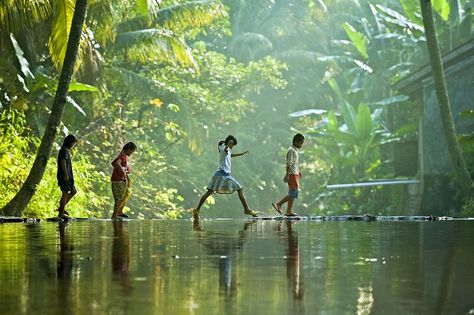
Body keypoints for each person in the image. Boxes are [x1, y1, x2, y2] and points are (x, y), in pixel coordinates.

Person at [193, 135, 257, 219]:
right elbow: (225, 150)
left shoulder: (227, 150)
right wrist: (228, 145)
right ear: (229, 143)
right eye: (233, 145)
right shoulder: (223, 147)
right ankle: (247, 209)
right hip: (223, 175)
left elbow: (230, 154)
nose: (232, 147)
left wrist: (242, 154)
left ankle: (197, 209)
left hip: (220, 174)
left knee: (209, 192)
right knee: (240, 189)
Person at [272, 133, 305, 217]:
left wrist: (298, 171)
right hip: (292, 174)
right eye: (301, 143)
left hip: (295, 173)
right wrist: (287, 174)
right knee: (293, 193)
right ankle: (278, 204)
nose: (301, 145)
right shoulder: (291, 150)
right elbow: (289, 164)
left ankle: (289, 211)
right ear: (296, 142)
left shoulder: (295, 150)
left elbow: (294, 163)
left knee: (293, 192)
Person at [111, 142, 137, 219]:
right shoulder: (122, 156)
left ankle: (119, 212)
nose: (132, 153)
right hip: (118, 180)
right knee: (119, 198)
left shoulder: (123, 155)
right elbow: (117, 163)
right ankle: (114, 215)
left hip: (120, 179)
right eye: (132, 151)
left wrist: (126, 168)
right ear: (129, 149)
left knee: (126, 194)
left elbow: (113, 163)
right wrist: (123, 173)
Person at [57, 134, 78, 219]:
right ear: (70, 142)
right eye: (73, 144)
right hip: (64, 175)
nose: (73, 146)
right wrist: (65, 174)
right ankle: (61, 213)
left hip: (69, 176)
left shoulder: (66, 151)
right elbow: (63, 162)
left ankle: (61, 208)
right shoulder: (64, 151)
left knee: (73, 191)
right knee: (65, 193)